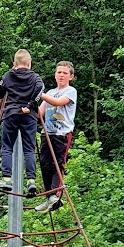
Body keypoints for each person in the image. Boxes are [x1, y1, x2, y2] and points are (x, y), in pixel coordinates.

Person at [0, 49, 44, 197]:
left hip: (11, 114)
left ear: (15, 63)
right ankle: (31, 181)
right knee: (29, 148)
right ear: (29, 63)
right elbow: (40, 89)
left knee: (7, 146)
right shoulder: (35, 77)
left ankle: (7, 179)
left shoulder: (9, 75)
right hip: (29, 117)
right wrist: (29, 105)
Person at [35, 61, 77, 213]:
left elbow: (59, 102)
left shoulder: (70, 91)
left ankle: (56, 195)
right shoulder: (50, 92)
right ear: (55, 74)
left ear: (70, 77)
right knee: (45, 164)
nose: (61, 75)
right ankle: (49, 196)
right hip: (48, 133)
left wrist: (40, 94)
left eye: (65, 73)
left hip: (62, 134)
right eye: (59, 72)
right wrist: (28, 108)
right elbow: (40, 113)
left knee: (57, 164)